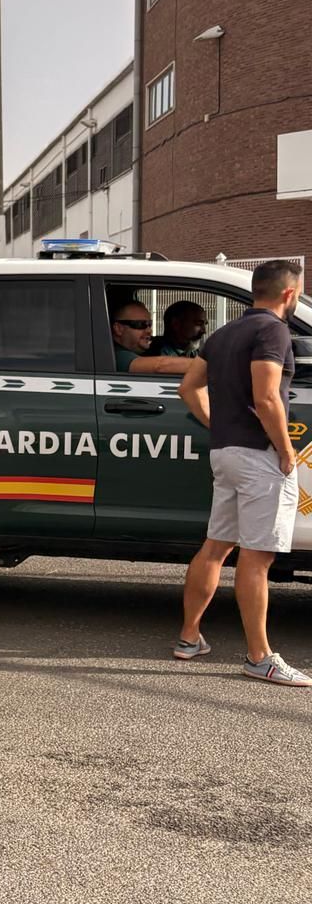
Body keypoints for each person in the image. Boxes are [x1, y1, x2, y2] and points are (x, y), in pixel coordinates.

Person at [175, 258, 310, 685]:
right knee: (257, 558)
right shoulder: (273, 330)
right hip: (259, 456)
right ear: (290, 293)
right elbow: (267, 396)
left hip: (227, 454)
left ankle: (189, 637)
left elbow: (188, 387)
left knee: (216, 547)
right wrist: (287, 452)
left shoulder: (223, 333)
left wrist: (216, 423)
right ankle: (259, 657)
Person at [110, 301, 191, 374]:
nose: (149, 330)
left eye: (149, 324)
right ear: (118, 329)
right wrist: (201, 365)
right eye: (141, 324)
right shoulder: (116, 356)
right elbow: (160, 366)